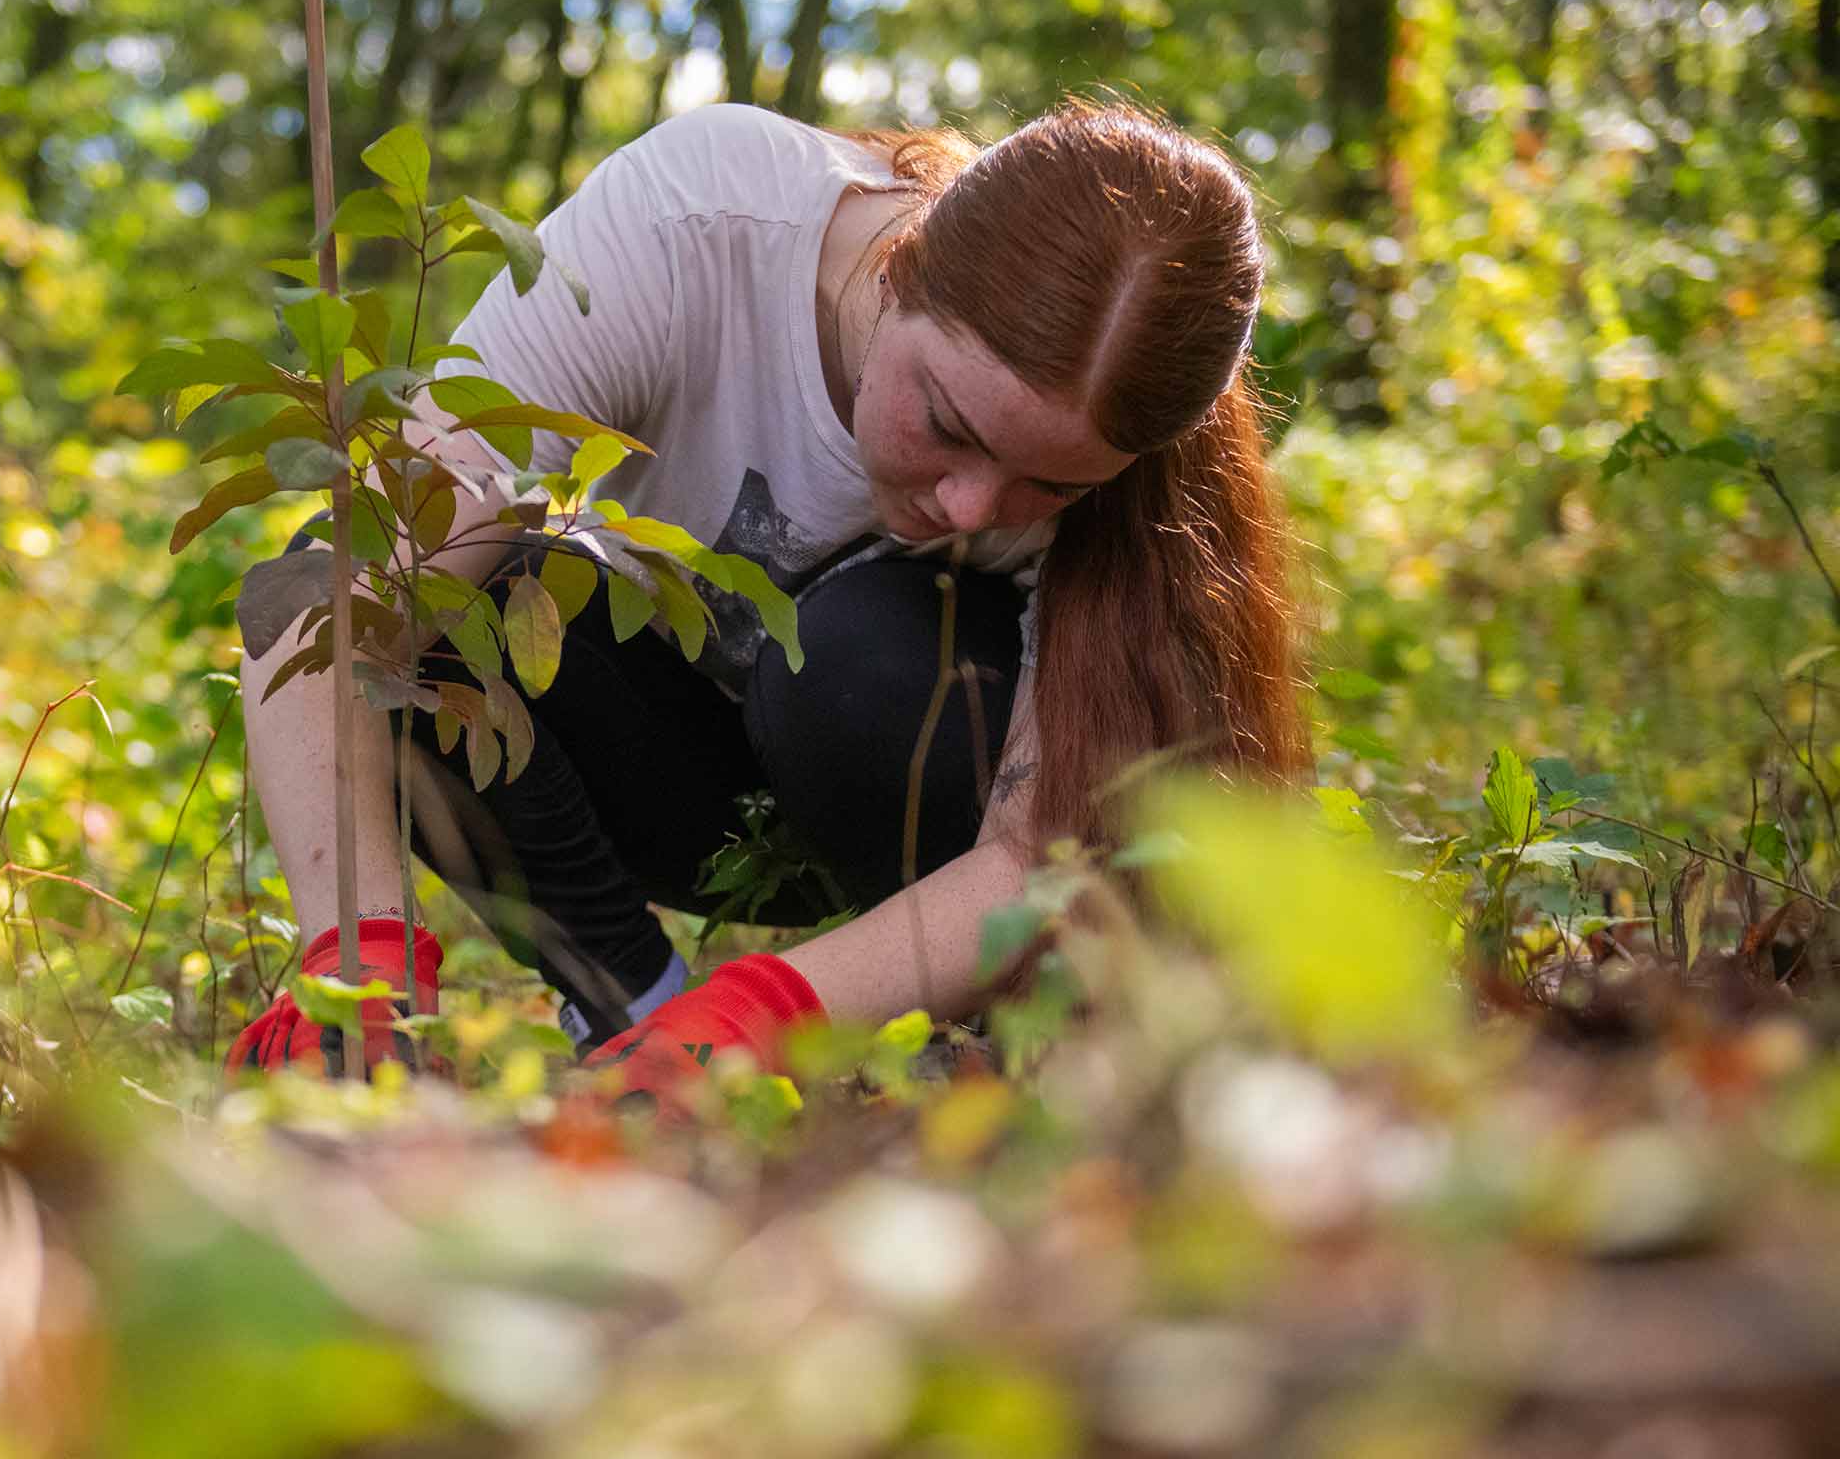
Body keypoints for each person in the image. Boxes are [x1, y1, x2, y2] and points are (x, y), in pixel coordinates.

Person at [222, 100, 1307, 1098]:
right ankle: (627, 1015)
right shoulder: (693, 229)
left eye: (1050, 485)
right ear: (897, 271)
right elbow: (324, 604)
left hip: (904, 799)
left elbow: (1039, 862)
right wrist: (350, 965)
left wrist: (751, 1021)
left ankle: (958, 1042)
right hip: (676, 777)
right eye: (947, 426)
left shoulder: (1143, 457)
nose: (974, 506)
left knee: (848, 655)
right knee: (457, 600)